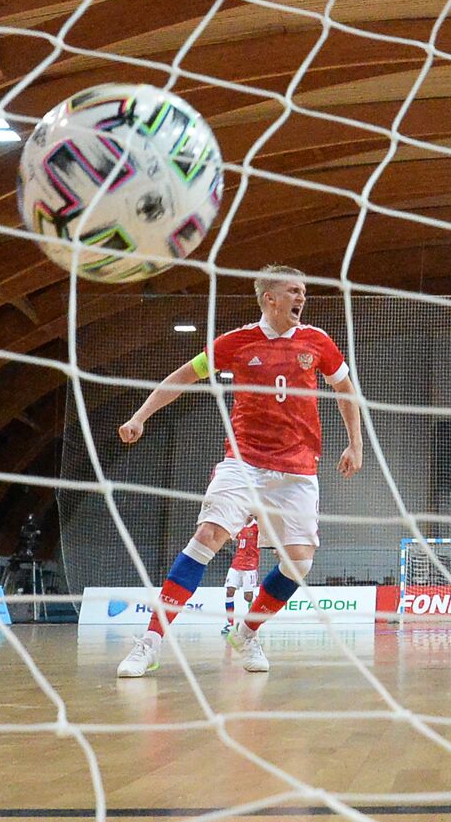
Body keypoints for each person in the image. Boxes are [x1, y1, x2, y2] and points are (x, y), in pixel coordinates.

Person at [116, 265, 363, 677]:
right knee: (208, 535)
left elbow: (344, 390)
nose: (302, 298)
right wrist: (141, 416)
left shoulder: (317, 341)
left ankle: (246, 633)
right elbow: (182, 378)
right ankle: (150, 642)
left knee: (299, 562)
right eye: (294, 291)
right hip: (244, 462)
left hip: (298, 469)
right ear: (271, 299)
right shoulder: (236, 342)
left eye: (304, 291)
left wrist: (355, 444)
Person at [222, 518, 260, 635]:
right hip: (236, 564)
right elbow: (230, 538)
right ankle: (229, 624)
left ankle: (253, 622)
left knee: (248, 597)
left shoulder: (258, 528)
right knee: (229, 591)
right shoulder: (238, 525)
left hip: (250, 566)